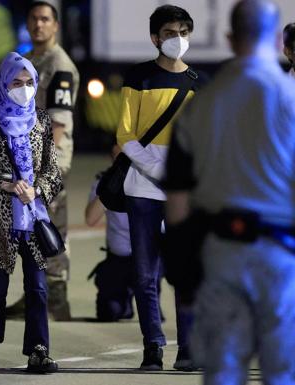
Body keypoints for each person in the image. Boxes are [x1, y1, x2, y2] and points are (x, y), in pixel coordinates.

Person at [164, 1, 295, 384]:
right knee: (283, 371)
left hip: (220, 255)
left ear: (229, 38)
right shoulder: (290, 101)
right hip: (281, 256)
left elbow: (177, 202)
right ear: (275, 40)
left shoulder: (199, 107)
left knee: (222, 369)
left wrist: (183, 274)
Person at [116, 5, 208, 371]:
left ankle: (188, 349)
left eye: (184, 31)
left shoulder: (200, 83)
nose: (178, 39)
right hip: (142, 188)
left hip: (184, 193)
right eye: (171, 32)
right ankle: (152, 347)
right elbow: (125, 132)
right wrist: (155, 168)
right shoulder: (139, 77)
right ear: (155, 38)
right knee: (145, 273)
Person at [0, 52, 62, 373]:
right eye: (16, 82)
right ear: (3, 84)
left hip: (34, 216)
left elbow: (53, 171)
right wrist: (2, 186)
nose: (24, 88)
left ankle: (38, 349)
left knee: (38, 287)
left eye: (29, 82)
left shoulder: (43, 120)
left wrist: (38, 188)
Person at [6, 0, 79, 322]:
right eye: (34, 19)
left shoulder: (59, 64)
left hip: (49, 160)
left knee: (52, 222)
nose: (39, 25)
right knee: (32, 227)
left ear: (55, 25)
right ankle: (35, 294)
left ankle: (57, 297)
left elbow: (59, 124)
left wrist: (41, 168)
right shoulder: (31, 59)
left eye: (45, 19)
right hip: (28, 159)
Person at [85, 145, 134, 322]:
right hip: (118, 258)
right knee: (109, 312)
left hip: (147, 257)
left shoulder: (150, 181)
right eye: (118, 158)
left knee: (152, 313)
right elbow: (90, 219)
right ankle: (124, 298)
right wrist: (111, 189)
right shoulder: (103, 182)